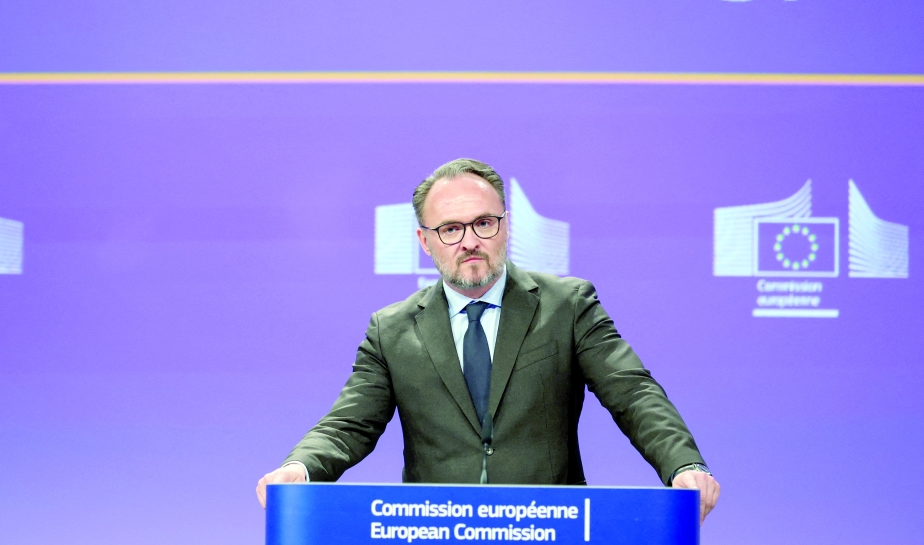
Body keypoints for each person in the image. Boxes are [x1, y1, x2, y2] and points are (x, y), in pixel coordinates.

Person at [257, 159, 720, 523]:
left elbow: (633, 392)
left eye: (484, 223)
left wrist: (684, 465)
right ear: (425, 241)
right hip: (435, 533)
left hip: (547, 530)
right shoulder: (391, 330)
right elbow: (349, 424)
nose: (469, 241)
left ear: (505, 225)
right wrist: (300, 468)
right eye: (450, 229)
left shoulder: (568, 305)